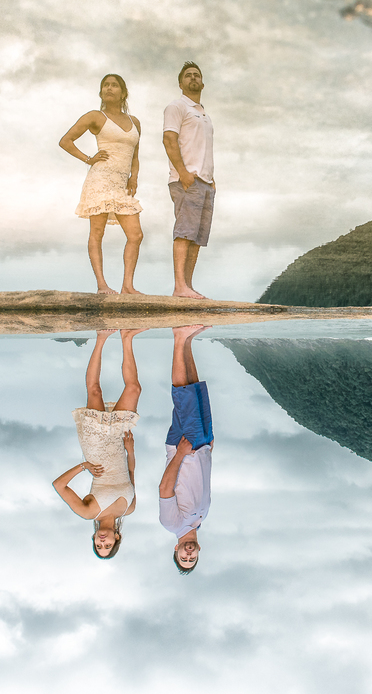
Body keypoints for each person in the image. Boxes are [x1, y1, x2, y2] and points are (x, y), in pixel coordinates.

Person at [52, 328, 144, 558]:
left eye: (98, 546)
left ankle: (101, 337)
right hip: (118, 446)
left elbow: (59, 485)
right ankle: (127, 337)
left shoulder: (88, 512)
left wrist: (84, 466)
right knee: (134, 389)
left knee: (95, 391)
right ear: (117, 538)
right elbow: (131, 473)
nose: (103, 542)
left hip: (96, 448)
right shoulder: (129, 508)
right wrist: (130, 451)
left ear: (93, 538)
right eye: (108, 546)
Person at [59, 74, 145, 295]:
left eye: (114, 85)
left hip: (121, 185)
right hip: (100, 180)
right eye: (105, 85)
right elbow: (65, 141)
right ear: (101, 92)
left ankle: (127, 286)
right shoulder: (95, 116)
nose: (109, 88)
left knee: (136, 235)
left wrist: (134, 177)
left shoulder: (135, 122)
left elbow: (135, 155)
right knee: (97, 232)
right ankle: (102, 285)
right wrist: (88, 159)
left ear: (123, 93)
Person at [159, 324, 213, 573]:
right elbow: (202, 482)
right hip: (201, 448)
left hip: (184, 449)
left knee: (182, 394)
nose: (188, 555)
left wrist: (180, 453)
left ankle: (178, 336)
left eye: (183, 558)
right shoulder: (201, 519)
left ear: (176, 550)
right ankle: (188, 341)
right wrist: (209, 452)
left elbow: (165, 489)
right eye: (192, 559)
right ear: (200, 551)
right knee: (195, 391)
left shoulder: (172, 524)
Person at [162, 62, 214, 299]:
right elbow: (169, 139)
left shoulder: (204, 114)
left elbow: (202, 148)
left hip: (205, 181)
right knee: (184, 232)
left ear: (202, 83)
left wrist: (211, 179)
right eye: (188, 75)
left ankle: (188, 287)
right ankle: (179, 286)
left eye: (197, 75)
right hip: (186, 180)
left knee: (197, 237)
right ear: (180, 83)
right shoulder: (177, 106)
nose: (193, 78)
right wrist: (183, 172)